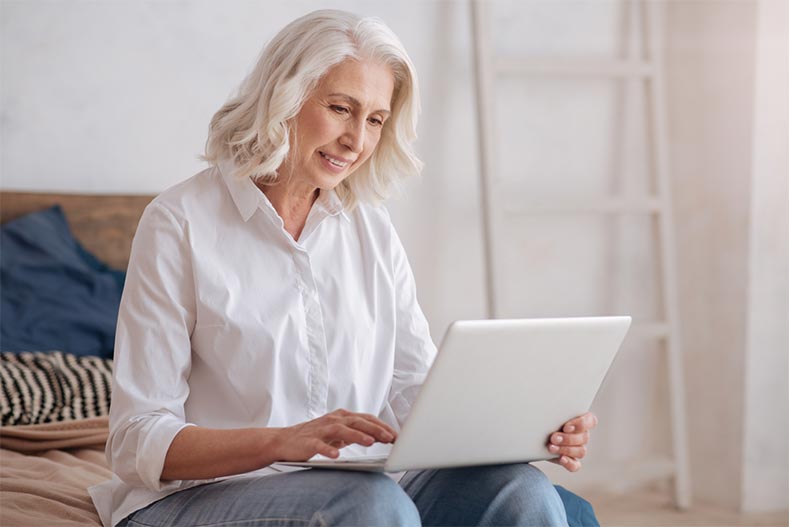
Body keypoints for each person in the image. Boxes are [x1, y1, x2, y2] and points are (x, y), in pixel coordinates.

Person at [89, 9, 598, 527]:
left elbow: (412, 391)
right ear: (282, 97)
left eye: (375, 120)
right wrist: (283, 442)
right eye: (340, 108)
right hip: (202, 497)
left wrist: (525, 429)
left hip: (361, 486)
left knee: (521, 489)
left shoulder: (370, 229)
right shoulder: (179, 223)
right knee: (372, 506)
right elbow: (137, 439)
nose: (357, 140)